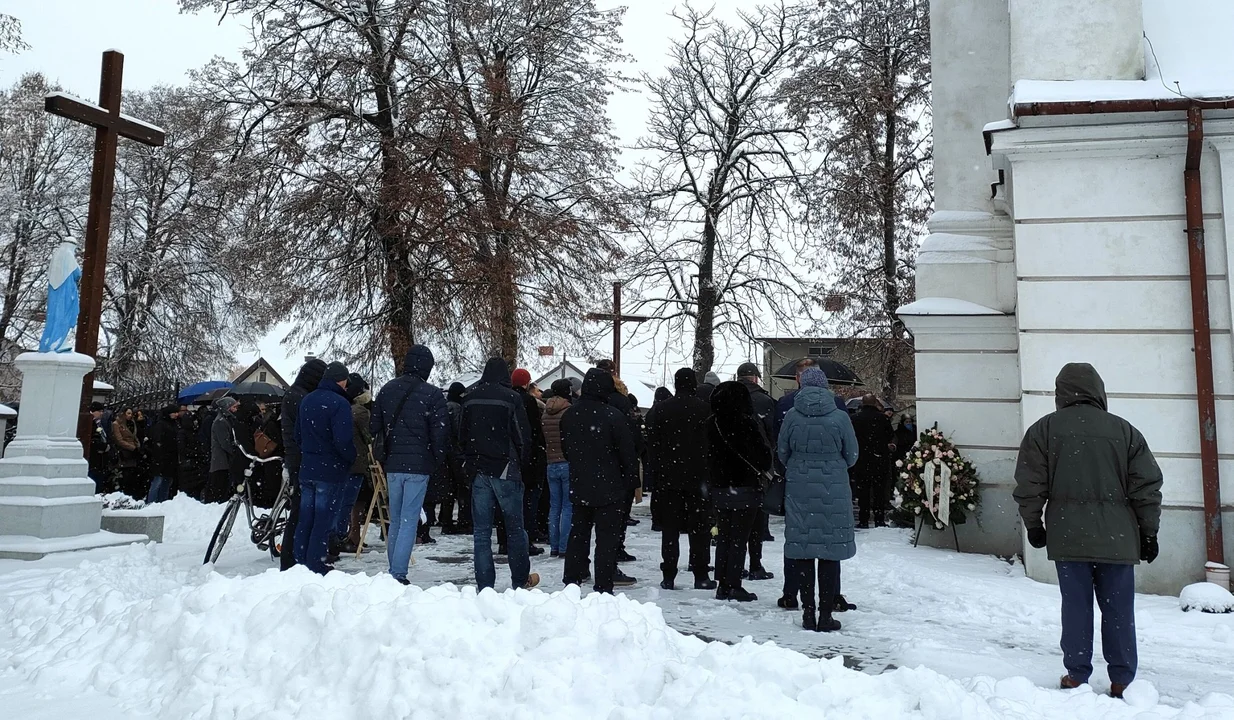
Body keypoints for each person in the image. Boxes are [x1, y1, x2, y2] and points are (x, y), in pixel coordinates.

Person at [1013, 363, 1163, 699]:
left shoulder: (1044, 431)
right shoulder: (1124, 432)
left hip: (1069, 538)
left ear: (1060, 393)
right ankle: (1122, 678)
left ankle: (1076, 674)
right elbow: (1147, 486)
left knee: (1076, 606)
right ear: (1099, 390)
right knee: (1118, 609)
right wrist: (1148, 532)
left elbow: (1029, 484)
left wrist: (1034, 524)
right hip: (1118, 540)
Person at [778, 367, 860, 632]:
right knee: (829, 551)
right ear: (825, 387)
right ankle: (826, 614)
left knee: (803, 549)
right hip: (833, 489)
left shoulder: (791, 415)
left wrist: (800, 465)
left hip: (799, 488)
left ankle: (808, 612)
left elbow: (782, 452)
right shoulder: (840, 416)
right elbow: (852, 455)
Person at [459, 357, 539, 591]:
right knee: (515, 529)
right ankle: (520, 580)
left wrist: (469, 461)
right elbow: (522, 437)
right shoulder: (512, 398)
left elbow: (461, 435)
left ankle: (485, 586)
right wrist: (520, 464)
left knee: (482, 533)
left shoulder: (470, 397)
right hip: (506, 468)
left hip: (478, 469)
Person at [371, 345, 449, 584]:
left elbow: (375, 427)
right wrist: (437, 460)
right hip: (419, 464)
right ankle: (398, 573)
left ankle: (393, 568)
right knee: (409, 519)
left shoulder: (387, 390)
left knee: (395, 519)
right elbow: (440, 434)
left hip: (393, 463)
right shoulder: (433, 395)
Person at [560, 368, 639, 593]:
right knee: (606, 539)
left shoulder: (570, 415)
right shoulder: (613, 416)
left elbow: (567, 450)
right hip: (610, 487)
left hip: (580, 483)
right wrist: (629, 482)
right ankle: (603, 585)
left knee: (578, 535)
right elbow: (627, 454)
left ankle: (572, 579)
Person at [645, 368, 715, 591]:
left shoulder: (660, 410)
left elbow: (652, 445)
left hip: (669, 478)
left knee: (670, 529)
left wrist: (657, 470)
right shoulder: (705, 409)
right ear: (694, 384)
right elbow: (711, 444)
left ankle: (669, 574)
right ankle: (701, 573)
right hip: (698, 477)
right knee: (700, 528)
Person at [707, 381, 772, 602]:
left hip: (720, 487)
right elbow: (763, 458)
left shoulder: (711, 424)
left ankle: (722, 583)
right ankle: (734, 583)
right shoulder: (747, 423)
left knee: (724, 536)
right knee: (740, 538)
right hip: (745, 487)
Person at [293, 362, 355, 575]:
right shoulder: (340, 403)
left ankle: (299, 558)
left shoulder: (307, 400)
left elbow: (297, 436)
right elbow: (343, 440)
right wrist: (350, 458)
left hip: (308, 468)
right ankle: (316, 562)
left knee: (306, 517)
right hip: (330, 470)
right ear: (342, 380)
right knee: (323, 518)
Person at [279, 357, 328, 570]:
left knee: (301, 511)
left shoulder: (296, 394)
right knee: (301, 512)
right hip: (301, 460)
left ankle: (295, 558)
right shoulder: (300, 398)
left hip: (297, 458)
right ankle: (292, 560)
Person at [736, 361, 775, 579]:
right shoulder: (764, 400)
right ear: (755, 378)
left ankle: (735, 565)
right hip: (759, 468)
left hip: (731, 468)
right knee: (757, 519)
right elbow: (772, 434)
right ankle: (755, 564)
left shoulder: (725, 398)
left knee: (734, 522)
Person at [332, 373, 370, 558]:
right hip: (356, 463)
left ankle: (337, 535)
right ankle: (339, 537)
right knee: (347, 503)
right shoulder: (360, 412)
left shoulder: (340, 408)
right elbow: (368, 437)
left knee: (340, 502)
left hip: (341, 463)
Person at [511, 368, 547, 555]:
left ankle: (509, 539)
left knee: (512, 503)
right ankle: (527, 537)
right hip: (529, 458)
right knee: (529, 501)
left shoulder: (508, 398)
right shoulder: (529, 402)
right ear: (526, 383)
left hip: (511, 459)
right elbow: (534, 431)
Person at [851, 394, 896, 528]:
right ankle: (879, 519)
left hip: (861, 459)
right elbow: (890, 435)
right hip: (879, 459)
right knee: (879, 491)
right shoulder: (883, 419)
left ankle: (863, 519)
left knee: (863, 491)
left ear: (863, 404)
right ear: (875, 403)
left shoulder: (855, 419)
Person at [541, 378, 574, 557]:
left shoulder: (545, 412)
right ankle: (563, 547)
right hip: (566, 462)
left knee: (554, 507)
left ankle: (553, 546)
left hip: (550, 462)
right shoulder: (568, 411)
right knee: (567, 507)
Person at [441, 382, 471, 534]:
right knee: (463, 488)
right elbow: (460, 432)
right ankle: (464, 521)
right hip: (457, 454)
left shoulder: (444, 407)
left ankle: (446, 521)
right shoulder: (458, 408)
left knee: (448, 490)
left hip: (445, 454)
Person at [145, 405, 181, 504]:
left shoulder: (174, 424)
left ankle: (162, 502)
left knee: (166, 482)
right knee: (158, 481)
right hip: (162, 457)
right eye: (174, 412)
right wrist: (160, 454)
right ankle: (152, 502)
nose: (176, 415)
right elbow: (157, 441)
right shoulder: (161, 425)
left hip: (170, 457)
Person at [207, 398, 240, 503]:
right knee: (220, 486)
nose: (236, 410)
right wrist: (234, 451)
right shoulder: (221, 422)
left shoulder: (225, 420)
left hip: (223, 460)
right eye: (234, 407)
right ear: (227, 407)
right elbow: (224, 443)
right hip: (221, 461)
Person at [112, 408, 142, 499]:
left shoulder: (132, 423)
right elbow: (119, 440)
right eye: (128, 413)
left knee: (132, 476)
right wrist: (132, 447)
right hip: (124, 451)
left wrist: (138, 446)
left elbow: (134, 436)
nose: (130, 415)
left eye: (131, 413)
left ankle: (131, 494)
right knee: (125, 475)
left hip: (133, 451)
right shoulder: (116, 424)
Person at [88, 402, 112, 493]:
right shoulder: (90, 424)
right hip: (94, 459)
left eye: (102, 411)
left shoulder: (100, 424)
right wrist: (102, 446)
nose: (102, 413)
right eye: (99, 411)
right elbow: (92, 440)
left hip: (100, 461)